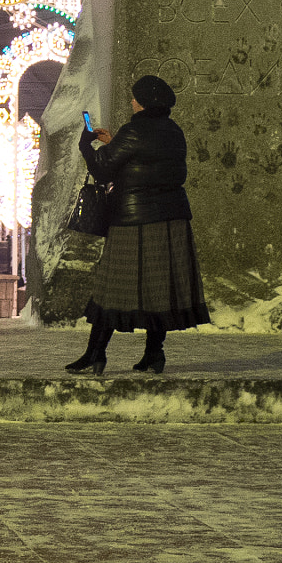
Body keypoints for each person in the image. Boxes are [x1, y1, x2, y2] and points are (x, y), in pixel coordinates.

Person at [65, 74, 210, 375]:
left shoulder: (133, 131)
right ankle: (154, 355)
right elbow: (147, 159)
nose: (132, 101)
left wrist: (86, 145)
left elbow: (103, 168)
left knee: (114, 286)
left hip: (134, 220)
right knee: (160, 289)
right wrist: (116, 141)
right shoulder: (173, 130)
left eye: (135, 97)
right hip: (171, 220)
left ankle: (95, 354)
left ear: (144, 102)